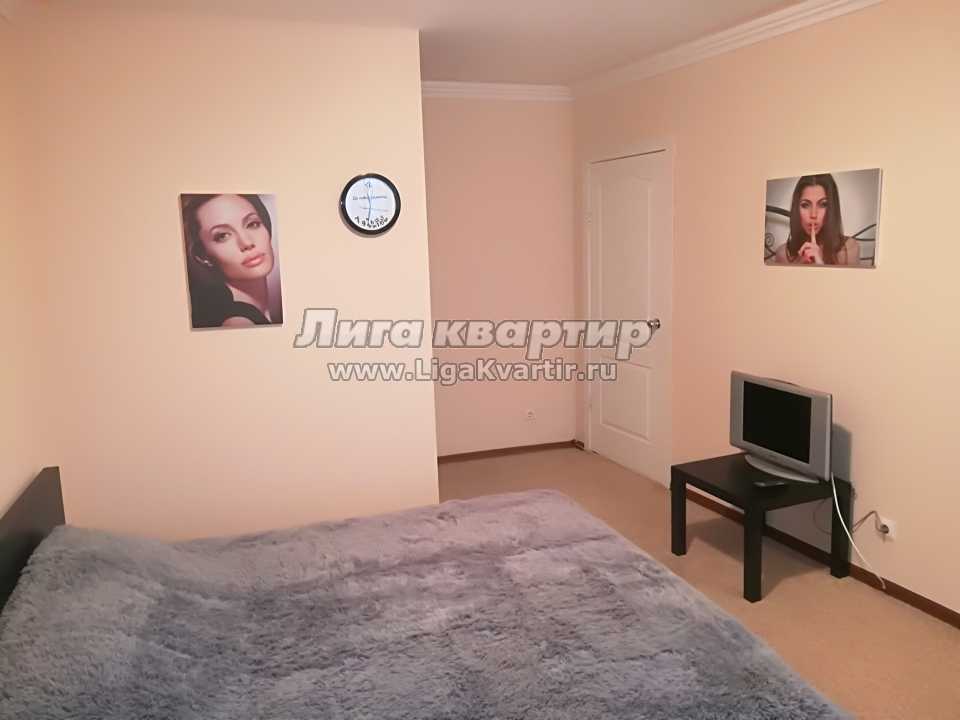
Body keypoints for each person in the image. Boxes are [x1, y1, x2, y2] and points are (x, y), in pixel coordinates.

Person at [181, 194, 283, 328]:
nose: (246, 243)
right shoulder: (239, 323)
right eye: (223, 236)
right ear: (203, 255)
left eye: (252, 224)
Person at [770, 174, 860, 266]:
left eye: (823, 204)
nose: (813, 215)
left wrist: (820, 264)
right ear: (796, 208)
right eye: (805, 205)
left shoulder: (849, 249)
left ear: (832, 208)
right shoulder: (783, 254)